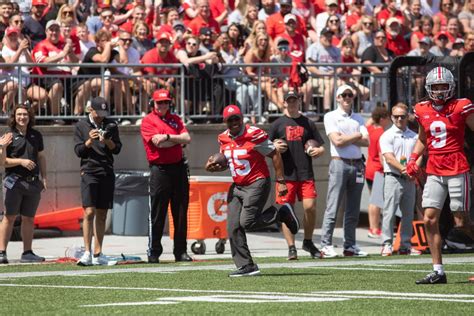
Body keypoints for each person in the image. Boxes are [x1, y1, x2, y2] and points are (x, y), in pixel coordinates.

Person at [205, 104, 300, 277]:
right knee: (233, 226)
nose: (234, 122)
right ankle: (247, 265)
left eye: (237, 119)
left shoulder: (254, 134)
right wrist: (214, 167)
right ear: (225, 121)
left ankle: (281, 212)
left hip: (257, 182)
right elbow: (231, 163)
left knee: (246, 222)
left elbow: (274, 154)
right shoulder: (223, 138)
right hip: (238, 185)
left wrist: (281, 181)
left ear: (242, 118)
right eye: (230, 120)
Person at [407, 66, 474, 284]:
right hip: (434, 168)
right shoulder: (421, 109)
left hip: (456, 165)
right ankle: (438, 270)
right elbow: (422, 139)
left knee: (461, 222)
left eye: (443, 86)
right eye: (435, 87)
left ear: (451, 87)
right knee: (429, 218)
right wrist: (412, 158)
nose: (439, 91)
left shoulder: (461, 106)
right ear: (428, 88)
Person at [269, 92, 325, 260]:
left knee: (310, 207)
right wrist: (273, 145)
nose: (292, 104)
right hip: (285, 175)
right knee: (287, 210)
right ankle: (291, 247)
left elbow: (321, 146)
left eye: (295, 101)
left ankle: (307, 241)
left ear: (299, 102)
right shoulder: (277, 124)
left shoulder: (308, 122)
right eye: (289, 101)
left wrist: (318, 151)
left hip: (305, 173)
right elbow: (265, 146)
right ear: (284, 103)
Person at [140, 89, 192, 264]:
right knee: (157, 213)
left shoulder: (175, 119)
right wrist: (177, 140)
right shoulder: (148, 121)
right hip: (160, 170)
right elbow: (158, 144)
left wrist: (169, 137)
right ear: (153, 104)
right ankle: (154, 251)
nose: (163, 105)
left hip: (178, 169)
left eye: (166, 102)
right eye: (159, 103)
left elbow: (187, 138)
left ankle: (181, 251)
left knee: (180, 212)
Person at [321, 84, 369, 258]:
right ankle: (325, 244)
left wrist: (348, 138)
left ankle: (350, 245)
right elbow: (337, 141)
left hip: (357, 164)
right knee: (332, 207)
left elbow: (367, 141)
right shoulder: (330, 116)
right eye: (344, 95)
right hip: (339, 163)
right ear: (338, 98)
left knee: (353, 209)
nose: (348, 98)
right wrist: (356, 136)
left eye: (350, 95)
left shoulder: (358, 118)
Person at [74, 97, 122, 266]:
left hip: (106, 171)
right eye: (98, 113)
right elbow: (78, 151)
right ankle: (87, 252)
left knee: (102, 213)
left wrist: (107, 140)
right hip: (89, 171)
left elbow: (117, 149)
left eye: (103, 113)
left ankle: (98, 252)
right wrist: (89, 141)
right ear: (90, 110)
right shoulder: (81, 125)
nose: (101, 117)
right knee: (89, 212)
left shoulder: (111, 125)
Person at [0, 105, 47, 264]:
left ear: (29, 116)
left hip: (33, 184)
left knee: (29, 218)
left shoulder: (36, 135)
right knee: (9, 217)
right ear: (14, 116)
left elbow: (41, 157)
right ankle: (1, 252)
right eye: (19, 114)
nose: (22, 117)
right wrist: (5, 148)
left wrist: (44, 177)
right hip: (14, 182)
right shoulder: (8, 136)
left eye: (25, 114)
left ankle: (27, 253)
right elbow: (3, 162)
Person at [379, 104, 422, 256]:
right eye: (396, 116)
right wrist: (406, 170)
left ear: (407, 117)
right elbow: (389, 158)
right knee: (389, 212)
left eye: (402, 116)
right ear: (391, 117)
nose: (399, 119)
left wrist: (413, 170)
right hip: (394, 177)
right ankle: (387, 244)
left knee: (408, 213)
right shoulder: (387, 135)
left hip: (409, 179)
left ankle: (405, 244)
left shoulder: (414, 135)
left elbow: (420, 154)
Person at [365, 106, 391, 239]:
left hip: (369, 169)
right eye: (387, 118)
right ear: (382, 119)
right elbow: (382, 155)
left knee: (372, 200)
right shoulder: (381, 133)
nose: (389, 120)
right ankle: (374, 229)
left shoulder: (370, 130)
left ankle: (373, 227)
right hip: (378, 170)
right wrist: (387, 170)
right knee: (376, 201)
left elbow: (368, 122)